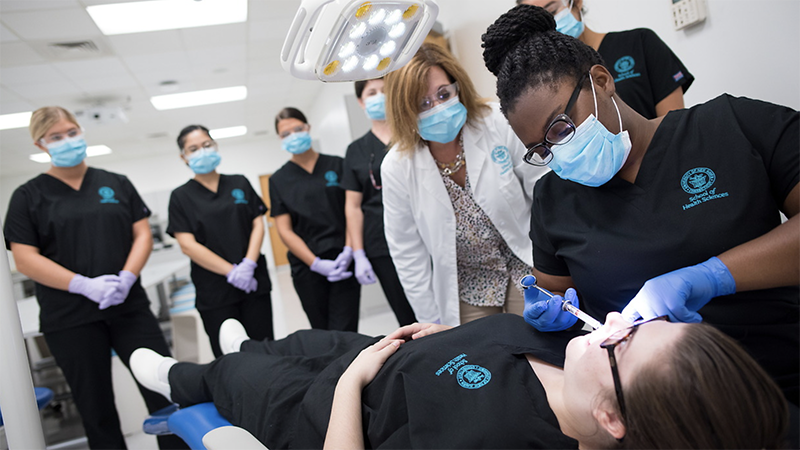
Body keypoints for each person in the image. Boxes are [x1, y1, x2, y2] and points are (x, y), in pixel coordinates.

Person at [482, 2, 800, 422]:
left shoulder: (732, 125)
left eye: (561, 127)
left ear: (601, 81)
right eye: (542, 148)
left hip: (781, 379)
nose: (559, 151)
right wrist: (552, 311)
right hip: (660, 414)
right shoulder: (554, 200)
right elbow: (555, 292)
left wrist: (712, 275)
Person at [130, 313, 789, 450]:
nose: (615, 322)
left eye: (626, 340)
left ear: (612, 418)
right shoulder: (582, 360)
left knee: (242, 373)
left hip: (322, 409)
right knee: (294, 341)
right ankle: (243, 347)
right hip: (378, 354)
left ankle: (183, 377)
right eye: (641, 321)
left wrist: (356, 379)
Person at [3, 106, 185, 450]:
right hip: (70, 318)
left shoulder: (115, 183)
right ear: (41, 144)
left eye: (72, 132)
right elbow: (25, 259)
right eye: (56, 137)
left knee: (164, 390)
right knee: (96, 407)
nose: (67, 141)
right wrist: (82, 284)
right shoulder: (27, 197)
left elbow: (142, 235)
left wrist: (128, 277)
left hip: (128, 307)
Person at [382, 43, 545, 326]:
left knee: (540, 350)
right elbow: (407, 252)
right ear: (405, 110)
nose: (438, 108)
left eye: (444, 94)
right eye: (423, 103)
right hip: (467, 287)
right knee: (484, 362)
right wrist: (431, 321)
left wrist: (557, 264)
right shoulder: (397, 166)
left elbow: (542, 189)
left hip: (527, 263)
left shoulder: (495, 121)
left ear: (458, 87)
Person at [167, 125, 274, 357]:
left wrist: (248, 264)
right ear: (183, 157)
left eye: (207, 145)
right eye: (193, 148)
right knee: (229, 357)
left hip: (253, 282)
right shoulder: (180, 197)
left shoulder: (239, 183)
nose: (202, 152)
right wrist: (231, 272)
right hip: (215, 290)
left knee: (264, 349)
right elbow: (187, 244)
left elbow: (257, 222)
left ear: (215, 146)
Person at [517, 0, 694, 119]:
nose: (550, 24)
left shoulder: (639, 43)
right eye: (539, 21)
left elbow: (675, 128)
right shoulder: (551, 83)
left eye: (552, 11)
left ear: (576, 2)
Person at [270, 107, 360, 331]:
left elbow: (351, 211)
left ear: (308, 128)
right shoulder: (278, 180)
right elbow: (285, 230)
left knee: (347, 328)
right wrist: (315, 264)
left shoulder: (338, 165)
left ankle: (355, 367)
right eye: (285, 133)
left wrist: (349, 251)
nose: (293, 136)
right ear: (280, 139)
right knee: (322, 330)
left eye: (298, 129)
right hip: (307, 268)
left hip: (343, 259)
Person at [342, 78, 416, 327]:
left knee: (438, 302)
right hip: (380, 242)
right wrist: (359, 253)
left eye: (385, 91)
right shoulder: (356, 150)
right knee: (404, 312)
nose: (379, 96)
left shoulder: (414, 133)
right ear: (361, 102)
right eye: (372, 93)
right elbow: (353, 206)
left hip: (421, 232)